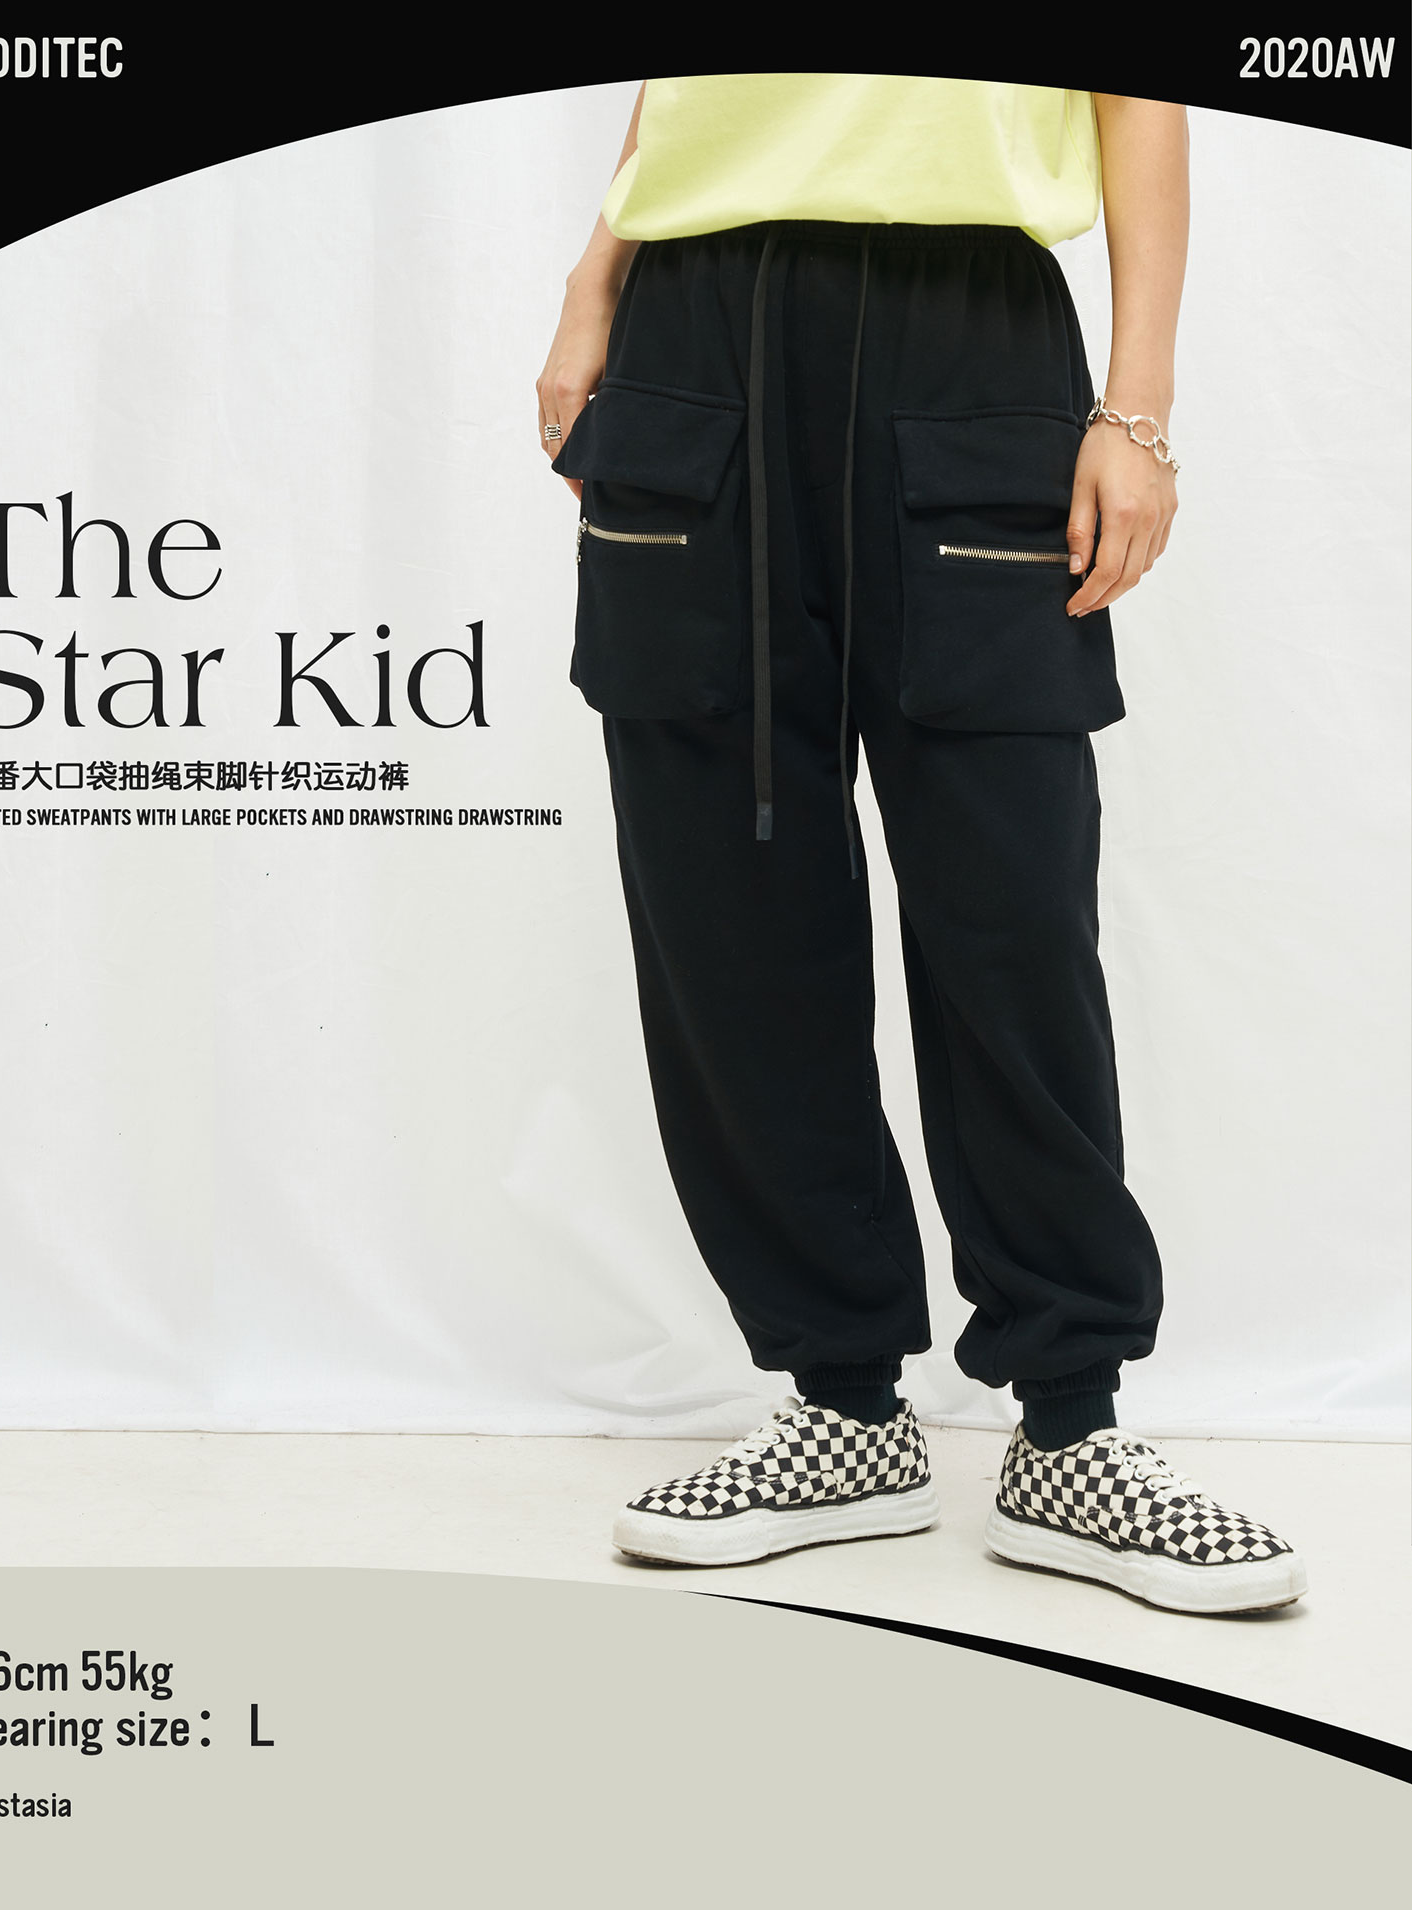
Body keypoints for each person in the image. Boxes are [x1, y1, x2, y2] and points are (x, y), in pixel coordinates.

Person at [536, 76, 1305, 1614]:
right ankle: (839, 1405)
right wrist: (590, 284)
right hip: (693, 333)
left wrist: (1135, 405)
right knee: (724, 909)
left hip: (974, 331)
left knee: (1012, 910)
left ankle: (1070, 1423)